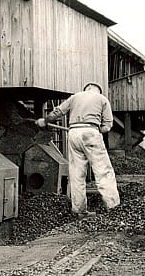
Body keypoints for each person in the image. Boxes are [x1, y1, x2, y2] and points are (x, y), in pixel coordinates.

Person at [36, 82, 120, 218]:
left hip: (74, 133)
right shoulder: (102, 99)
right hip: (91, 131)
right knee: (103, 171)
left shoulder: (75, 97)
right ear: (97, 90)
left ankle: (79, 210)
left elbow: (58, 111)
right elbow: (108, 125)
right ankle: (113, 208)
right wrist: (97, 130)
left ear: (85, 90)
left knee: (76, 174)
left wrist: (45, 121)